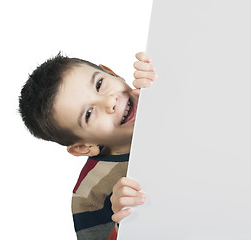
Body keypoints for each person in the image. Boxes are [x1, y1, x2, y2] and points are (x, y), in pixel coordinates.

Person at [19, 52, 157, 239]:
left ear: (111, 73)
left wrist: (164, 76)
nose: (110, 101)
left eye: (100, 84)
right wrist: (124, 225)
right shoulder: (88, 198)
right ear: (84, 147)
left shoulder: (160, 90)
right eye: (89, 113)